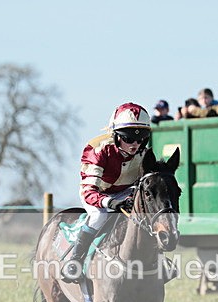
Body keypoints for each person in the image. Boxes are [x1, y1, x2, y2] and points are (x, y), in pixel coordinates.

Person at [62, 102, 152, 283]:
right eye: (128, 138)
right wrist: (110, 203)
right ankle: (75, 261)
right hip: (98, 194)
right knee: (99, 217)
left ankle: (156, 262)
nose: (135, 144)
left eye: (140, 137)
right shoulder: (98, 150)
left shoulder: (144, 152)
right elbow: (89, 191)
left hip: (127, 191)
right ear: (116, 136)